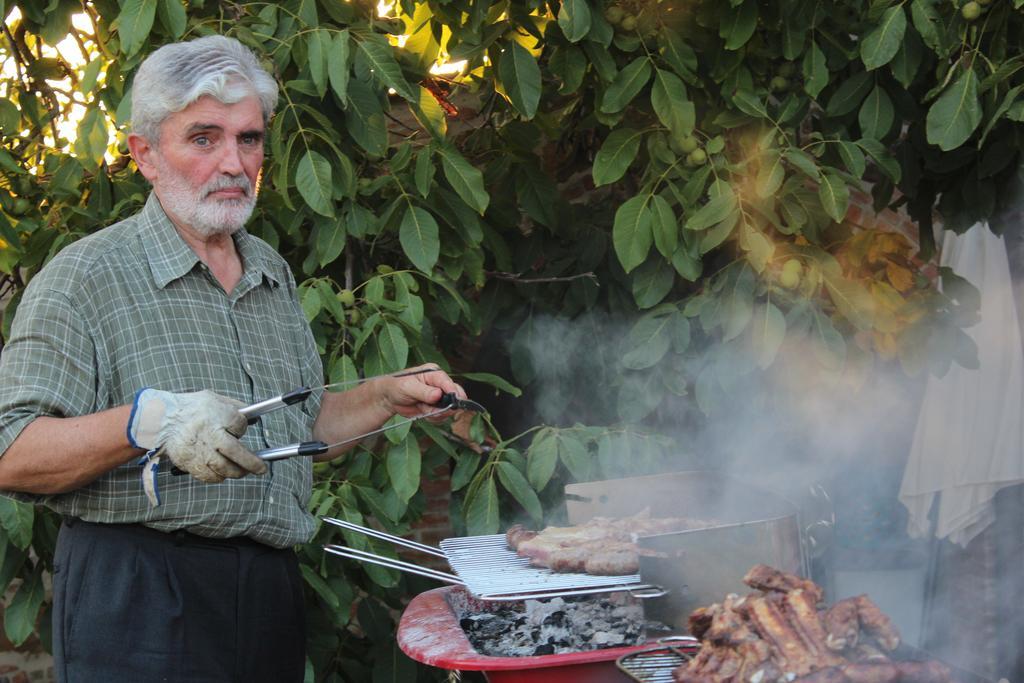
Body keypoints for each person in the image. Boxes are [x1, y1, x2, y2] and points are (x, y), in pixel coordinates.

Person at [0, 34, 465, 683]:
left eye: (248, 139)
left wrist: (384, 398)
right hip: (140, 593)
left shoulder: (269, 270)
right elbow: (11, 451)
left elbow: (291, 432)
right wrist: (149, 420)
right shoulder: (85, 277)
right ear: (144, 153)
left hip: (266, 595)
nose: (233, 161)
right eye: (203, 138)